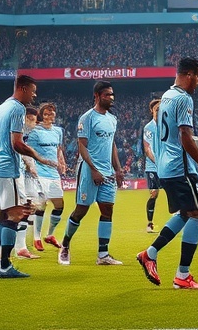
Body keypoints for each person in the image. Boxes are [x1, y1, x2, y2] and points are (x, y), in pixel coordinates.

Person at [137, 57, 198, 290]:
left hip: (165, 168)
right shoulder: (183, 98)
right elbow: (185, 135)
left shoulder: (166, 97)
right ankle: (182, 275)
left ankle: (150, 254)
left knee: (185, 214)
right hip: (180, 168)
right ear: (189, 75)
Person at [0, 75, 54, 279]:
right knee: (15, 215)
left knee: (1, 216)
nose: (34, 95)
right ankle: (6, 266)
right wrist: (38, 157)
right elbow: (16, 143)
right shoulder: (17, 108)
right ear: (23, 88)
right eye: (32, 91)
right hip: (8, 168)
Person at [60, 81, 124, 266]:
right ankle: (65, 245)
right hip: (89, 170)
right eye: (107, 95)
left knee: (107, 210)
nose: (111, 98)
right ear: (97, 96)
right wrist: (94, 170)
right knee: (81, 210)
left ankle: (103, 255)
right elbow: (82, 146)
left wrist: (118, 169)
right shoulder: (87, 118)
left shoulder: (112, 119)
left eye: (112, 94)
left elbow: (112, 144)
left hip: (108, 172)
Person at [25, 102, 67, 251]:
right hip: (40, 172)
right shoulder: (35, 131)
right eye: (46, 114)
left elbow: (58, 149)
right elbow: (28, 150)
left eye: (52, 113)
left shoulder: (58, 131)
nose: (49, 116)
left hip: (53, 173)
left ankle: (49, 235)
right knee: (42, 204)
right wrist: (31, 167)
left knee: (59, 205)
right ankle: (37, 238)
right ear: (41, 116)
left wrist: (62, 162)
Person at [13, 107, 44, 260]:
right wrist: (30, 164)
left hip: (21, 173)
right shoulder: (18, 132)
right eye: (32, 120)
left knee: (28, 205)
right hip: (15, 173)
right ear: (26, 118)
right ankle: (19, 248)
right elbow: (20, 150)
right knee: (19, 209)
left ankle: (21, 245)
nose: (34, 124)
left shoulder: (26, 134)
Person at [142, 99, 162, 233]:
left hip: (166, 166)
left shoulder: (166, 125)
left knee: (173, 192)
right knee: (154, 193)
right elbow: (147, 149)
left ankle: (178, 219)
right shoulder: (149, 127)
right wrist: (158, 162)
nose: (159, 111)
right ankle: (149, 224)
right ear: (152, 111)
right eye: (157, 109)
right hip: (153, 167)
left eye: (161, 109)